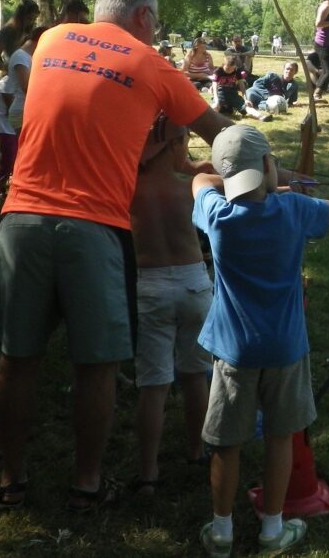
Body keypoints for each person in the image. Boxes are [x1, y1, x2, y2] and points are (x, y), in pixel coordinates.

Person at [0, 0, 241, 513]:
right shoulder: (153, 65)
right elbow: (220, 133)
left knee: (18, 356)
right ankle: (87, 483)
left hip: (21, 217)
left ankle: (11, 479)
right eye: (157, 21)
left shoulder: (51, 39)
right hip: (95, 226)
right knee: (97, 363)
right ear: (143, 17)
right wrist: (267, 167)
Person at [192, 124, 329, 558]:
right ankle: (272, 530)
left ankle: (221, 533)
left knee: (226, 444)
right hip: (285, 349)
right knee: (280, 437)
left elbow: (199, 181)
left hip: (234, 352)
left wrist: (238, 178)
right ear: (267, 163)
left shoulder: (216, 215)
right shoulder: (293, 210)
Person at [130, 114, 215, 495]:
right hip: (193, 283)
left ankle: (148, 473)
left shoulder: (129, 188)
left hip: (150, 286)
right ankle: (197, 451)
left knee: (154, 384)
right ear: (175, 145)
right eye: (185, 143)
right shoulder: (190, 188)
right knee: (196, 374)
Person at [0, 26, 48, 201]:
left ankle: (17, 187)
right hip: (17, 112)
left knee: (23, 153)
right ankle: (3, 188)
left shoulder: (27, 56)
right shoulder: (21, 57)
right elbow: (25, 86)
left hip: (22, 110)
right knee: (13, 154)